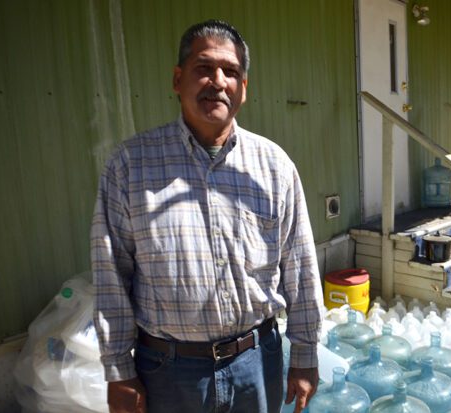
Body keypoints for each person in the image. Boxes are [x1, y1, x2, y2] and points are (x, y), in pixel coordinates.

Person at [91, 20, 324, 413]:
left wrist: (305, 354)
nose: (217, 81)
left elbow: (299, 266)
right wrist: (118, 371)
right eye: (203, 68)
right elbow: (111, 272)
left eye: (230, 72)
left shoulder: (274, 166)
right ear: (178, 79)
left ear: (243, 89)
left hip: (256, 363)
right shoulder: (131, 165)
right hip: (168, 371)